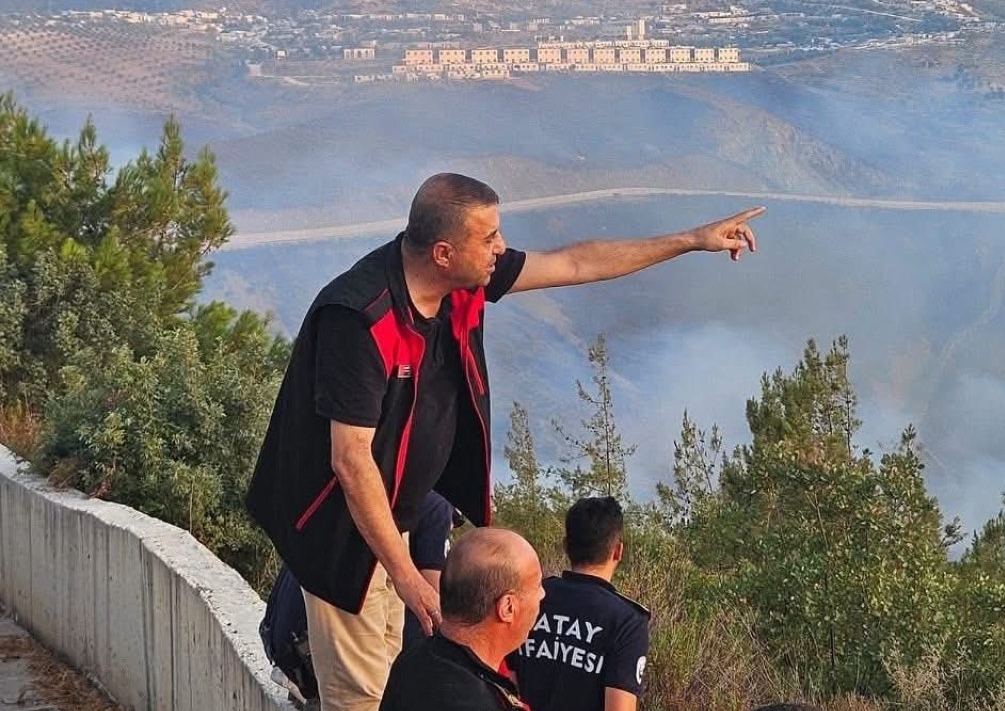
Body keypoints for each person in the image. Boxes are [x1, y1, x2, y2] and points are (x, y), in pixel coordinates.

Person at [245, 172, 764, 710]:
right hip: (340, 533)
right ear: (444, 253)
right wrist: (407, 577)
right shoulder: (360, 318)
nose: (501, 247)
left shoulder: (459, 284)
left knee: (396, 684)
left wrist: (690, 240)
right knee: (360, 700)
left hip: (394, 519)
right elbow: (351, 460)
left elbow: (576, 263)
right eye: (489, 237)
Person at [259, 492, 457, 706]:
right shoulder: (436, 508)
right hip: (322, 660)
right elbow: (435, 602)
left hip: (288, 648)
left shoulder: (386, 497)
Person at [507, 497, 649, 711]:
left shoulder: (531, 596)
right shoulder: (626, 621)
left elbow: (504, 682)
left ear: (566, 546)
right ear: (618, 551)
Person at [380, 528, 545, 711]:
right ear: (507, 608)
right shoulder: (478, 702)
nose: (542, 594)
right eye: (537, 585)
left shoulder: (412, 659)